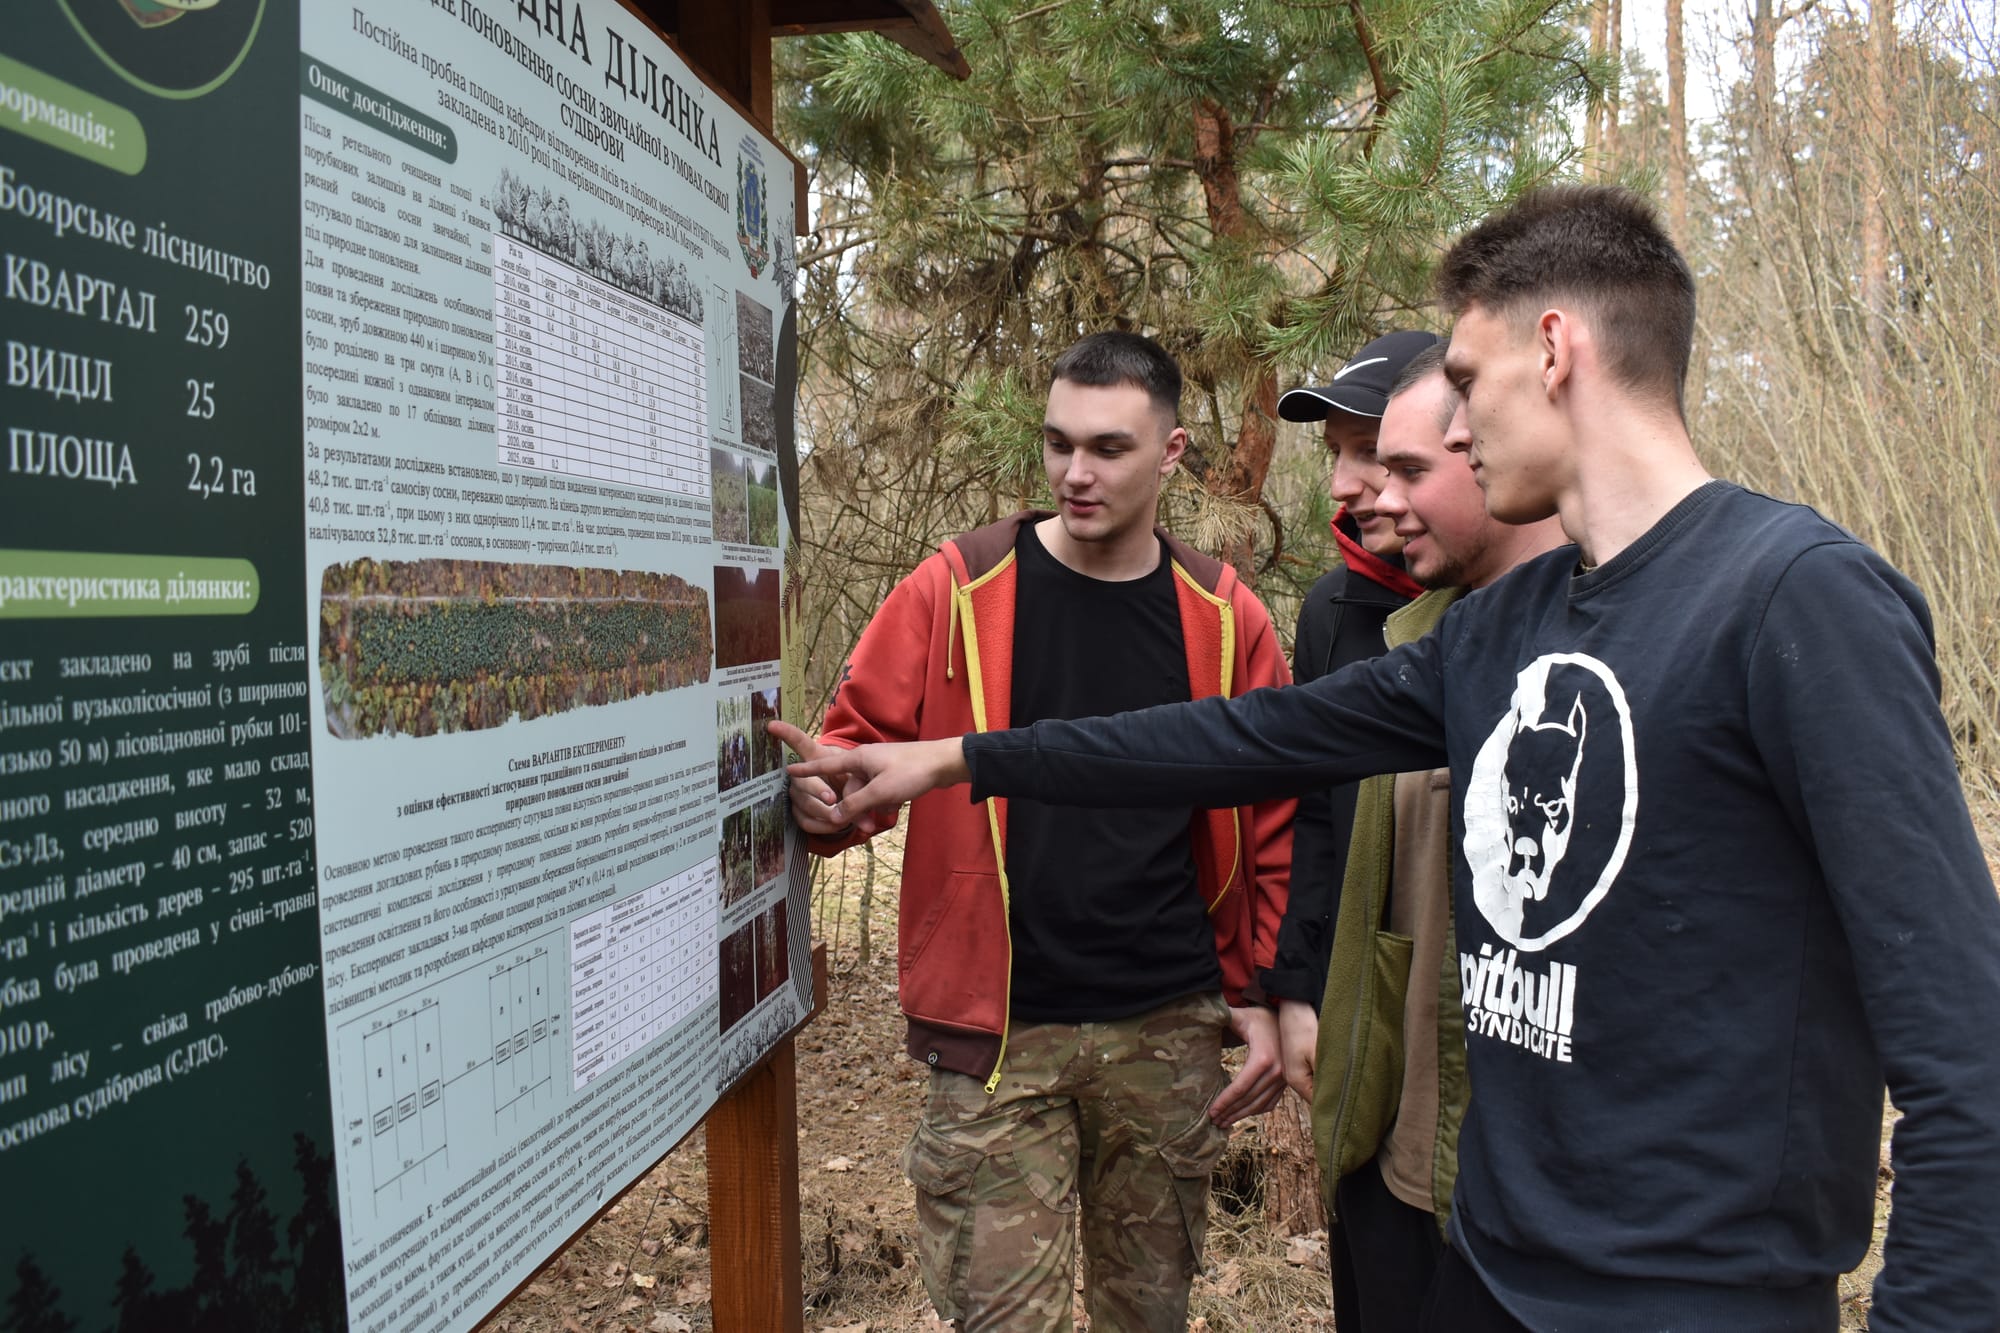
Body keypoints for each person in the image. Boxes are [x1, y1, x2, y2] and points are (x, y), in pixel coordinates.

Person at [777, 185, 2000, 1331]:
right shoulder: (1501, 629)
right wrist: (953, 761)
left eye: (1464, 381)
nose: (1455, 428)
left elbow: (1962, 1050)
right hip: (1485, 1261)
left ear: (1556, 350)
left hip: (1687, 1291)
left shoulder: (1793, 598)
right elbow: (1235, 737)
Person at [783, 331, 1294, 1331]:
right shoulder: (957, 586)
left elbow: (1270, 824)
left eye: (1107, 447)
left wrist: (1263, 992)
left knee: (1145, 1316)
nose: (1074, 472)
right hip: (997, 1037)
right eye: (1058, 444)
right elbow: (853, 752)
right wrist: (824, 807)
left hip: (1165, 1026)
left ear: (1172, 453)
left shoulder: (1226, 619)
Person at [1309, 344, 1565, 1333]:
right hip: (1388, 1122)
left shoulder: (1645, 629)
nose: (1350, 488)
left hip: (1526, 1181)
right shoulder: (1373, 622)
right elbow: (1269, 769)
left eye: (1388, 458)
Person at [1265, 331, 1433, 1066]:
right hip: (1359, 1001)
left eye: (1368, 450)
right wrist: (1299, 989)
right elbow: (1312, 812)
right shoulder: (1332, 609)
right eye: (1335, 452)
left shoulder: (1517, 597)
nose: (1342, 484)